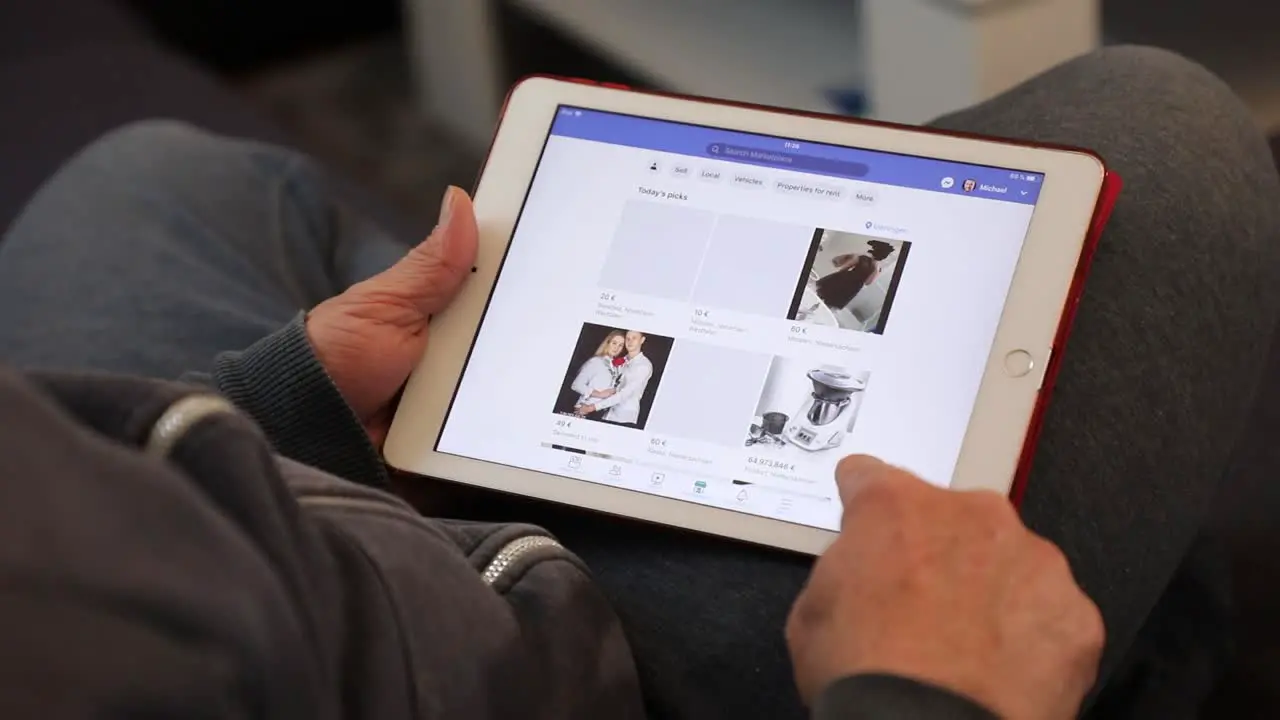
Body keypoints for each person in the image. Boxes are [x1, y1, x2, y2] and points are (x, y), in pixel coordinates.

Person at [1, 46, 1278, 720]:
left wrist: (286, 401)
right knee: (1169, 126)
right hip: (548, 663)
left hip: (225, 509)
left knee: (161, 175)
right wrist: (919, 695)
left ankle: (453, 390)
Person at [577, 329, 653, 425]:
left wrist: (591, 407)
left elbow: (624, 394)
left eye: (634, 338)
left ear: (642, 340)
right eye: (628, 338)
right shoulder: (621, 360)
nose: (630, 341)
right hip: (606, 414)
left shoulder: (643, 366)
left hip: (624, 418)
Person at [815, 239, 894, 312]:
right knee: (828, 300)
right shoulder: (873, 266)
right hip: (850, 284)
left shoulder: (868, 263)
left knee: (824, 296)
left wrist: (839, 275)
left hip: (848, 281)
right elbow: (867, 282)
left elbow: (847, 268)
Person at [569, 329, 624, 419]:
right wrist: (600, 394)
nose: (616, 348)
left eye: (620, 345)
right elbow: (576, 385)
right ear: (607, 343)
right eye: (614, 343)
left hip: (600, 412)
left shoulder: (615, 366)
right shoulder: (596, 361)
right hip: (584, 410)